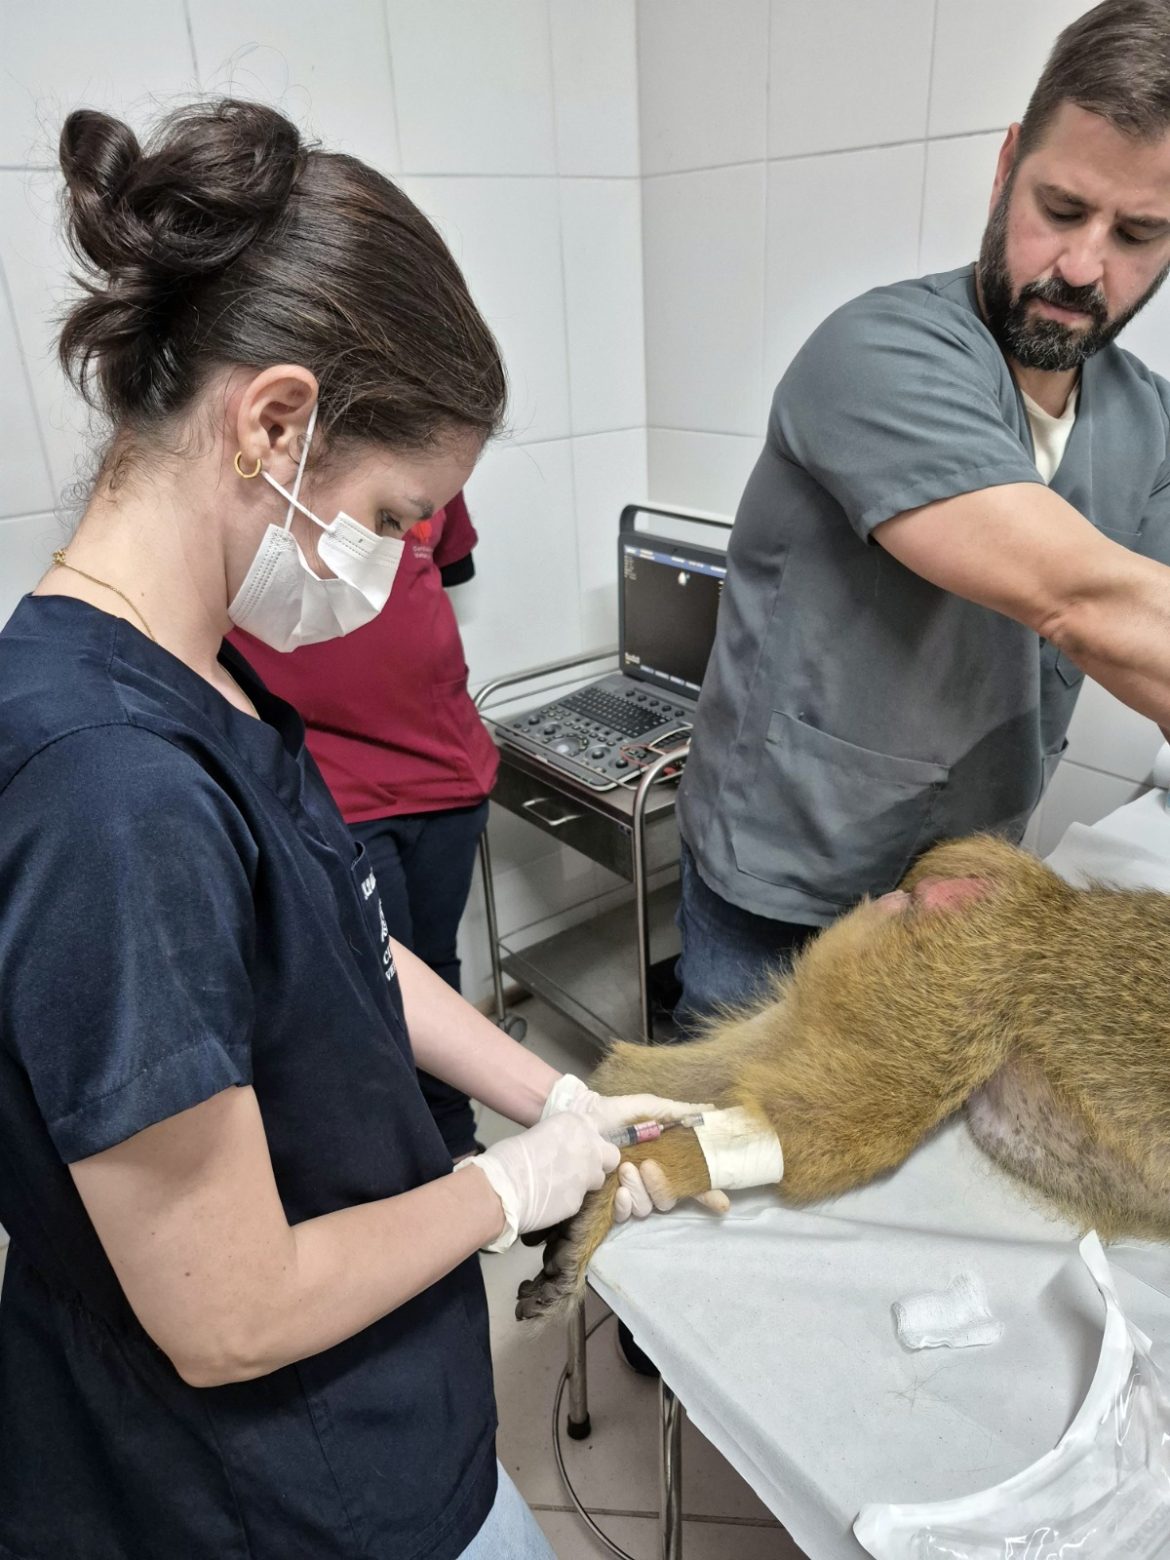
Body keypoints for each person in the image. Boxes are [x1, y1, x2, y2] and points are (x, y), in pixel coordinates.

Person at [0, 99, 707, 1560]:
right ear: (271, 420)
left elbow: (352, 950)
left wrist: (549, 1097)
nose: (392, 573)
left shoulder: (204, 671)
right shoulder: (108, 794)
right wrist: (500, 1192)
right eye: (393, 513)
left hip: (378, 1407)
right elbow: (229, 1311)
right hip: (266, 1490)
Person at [675, 0, 1170, 1027]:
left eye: (1136, 235)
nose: (1082, 267)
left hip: (966, 873)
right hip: (788, 876)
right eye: (1061, 208)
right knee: (733, 1127)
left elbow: (1149, 625)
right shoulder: (880, 354)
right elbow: (1082, 596)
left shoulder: (1146, 417)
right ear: (1003, 170)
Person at [230, 487, 498, 1162]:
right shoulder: (255, 495)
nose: (396, 533)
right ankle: (409, 1159)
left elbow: (450, 571)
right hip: (337, 786)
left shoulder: (427, 471)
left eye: (401, 522)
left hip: (444, 769)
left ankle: (454, 1143)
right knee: (373, 992)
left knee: (433, 965)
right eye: (385, 519)